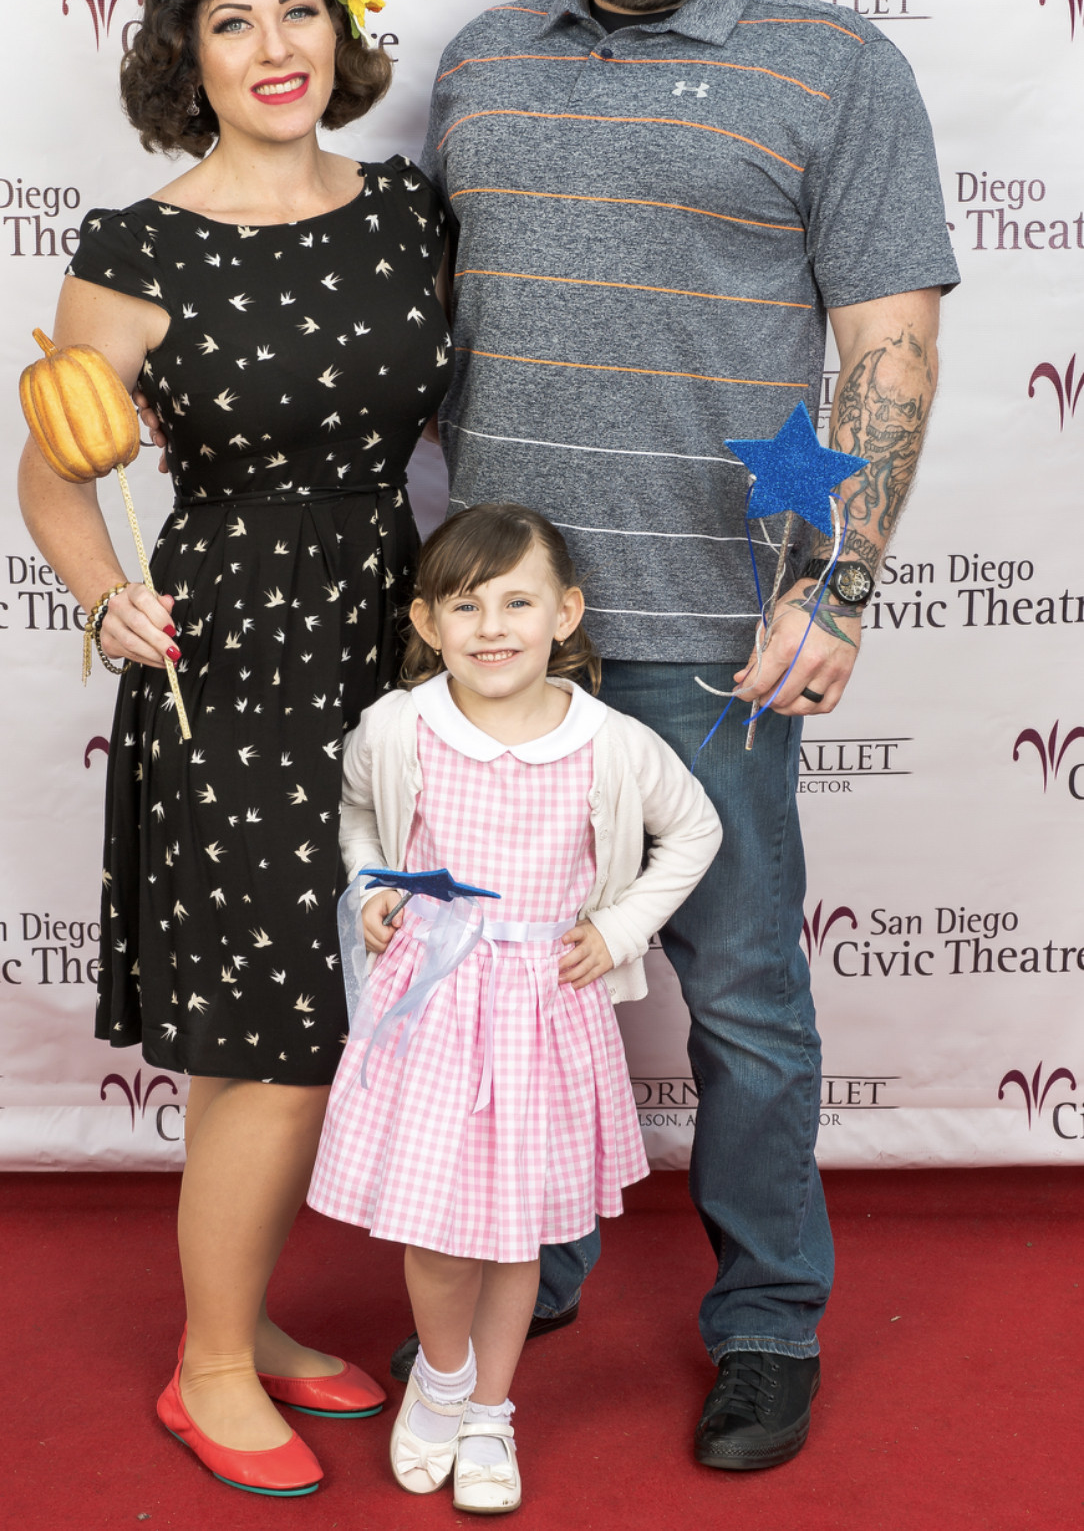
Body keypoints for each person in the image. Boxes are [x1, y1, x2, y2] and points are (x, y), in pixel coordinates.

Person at [407, 0, 959, 1470]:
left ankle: (769, 1316)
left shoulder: (835, 68)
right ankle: (538, 1257)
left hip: (708, 636)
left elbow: (889, 343)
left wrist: (841, 584)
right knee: (507, 976)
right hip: (501, 640)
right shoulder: (480, 60)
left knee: (740, 1001)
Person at [18, 0, 453, 1497]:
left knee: (284, 1015)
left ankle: (241, 1316)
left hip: (387, 637)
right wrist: (105, 596)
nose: (274, 49)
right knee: (281, 1024)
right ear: (184, 58)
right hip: (234, 662)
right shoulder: (137, 248)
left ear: (340, 27)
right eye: (231, 22)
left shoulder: (407, 209)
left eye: (297, 10)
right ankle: (207, 1369)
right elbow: (54, 470)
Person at [306, 502, 721, 1510]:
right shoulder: (399, 726)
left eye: (517, 602)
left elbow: (695, 829)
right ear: (426, 621)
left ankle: (492, 1407)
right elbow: (357, 812)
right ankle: (443, 1380)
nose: (492, 627)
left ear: (565, 613)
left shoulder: (611, 742)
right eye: (465, 605)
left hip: (543, 1010)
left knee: (513, 1231)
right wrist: (373, 882)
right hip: (434, 1004)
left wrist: (621, 928)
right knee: (439, 1228)